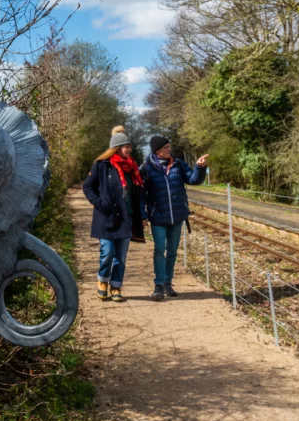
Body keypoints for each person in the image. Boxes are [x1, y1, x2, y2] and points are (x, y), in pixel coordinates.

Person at [82, 126, 145, 302]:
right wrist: (99, 203)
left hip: (126, 218)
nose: (129, 150)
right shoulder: (101, 165)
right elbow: (88, 187)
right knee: (107, 252)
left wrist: (141, 215)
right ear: (117, 148)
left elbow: (137, 193)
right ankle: (102, 281)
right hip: (106, 217)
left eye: (130, 147)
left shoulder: (131, 168)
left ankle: (116, 287)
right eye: (126, 147)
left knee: (121, 257)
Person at [141, 136, 208, 301]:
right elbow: (140, 194)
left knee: (172, 251)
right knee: (159, 250)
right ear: (157, 151)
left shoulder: (178, 164)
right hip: (158, 216)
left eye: (169, 147)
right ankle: (158, 285)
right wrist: (143, 215)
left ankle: (167, 283)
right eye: (166, 147)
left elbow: (193, 179)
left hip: (177, 216)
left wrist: (199, 168)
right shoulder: (146, 168)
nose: (169, 150)